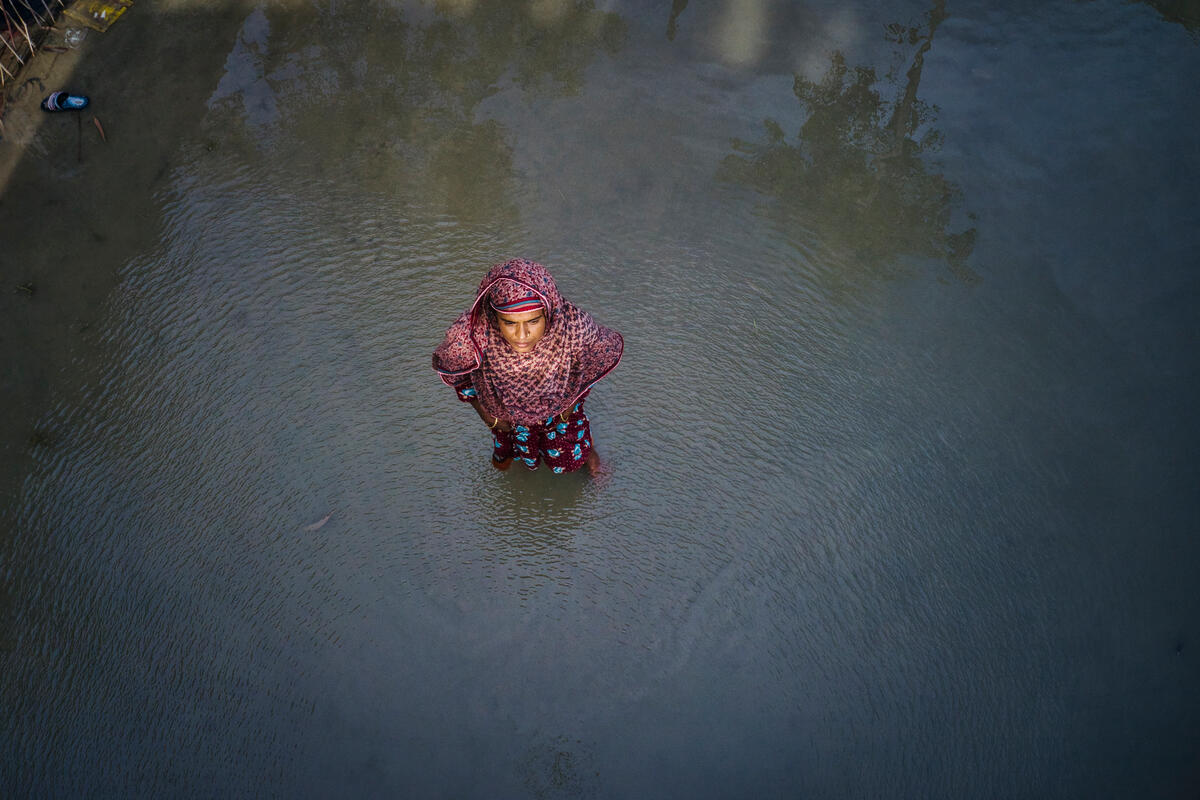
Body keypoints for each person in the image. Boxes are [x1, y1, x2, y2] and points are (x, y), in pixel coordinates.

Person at [432, 258, 623, 477]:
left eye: (533, 321)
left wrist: (569, 406)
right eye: (510, 323)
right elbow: (460, 377)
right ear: (495, 318)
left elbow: (592, 364)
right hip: (506, 418)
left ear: (548, 313)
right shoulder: (474, 334)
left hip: (560, 413)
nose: (522, 336)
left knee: (569, 452)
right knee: (521, 452)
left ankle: (589, 454)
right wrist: (486, 414)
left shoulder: (573, 327)